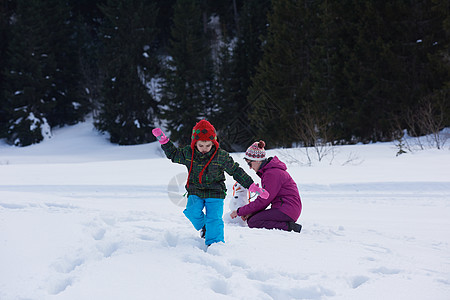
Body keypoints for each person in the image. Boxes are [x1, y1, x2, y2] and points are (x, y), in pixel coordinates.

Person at [152, 120, 269, 246]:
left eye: (208, 145)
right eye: (201, 145)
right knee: (192, 211)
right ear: (195, 143)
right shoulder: (189, 154)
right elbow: (174, 155)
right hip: (195, 190)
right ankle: (205, 227)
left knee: (214, 219)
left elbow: (235, 170)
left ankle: (215, 245)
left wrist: (251, 186)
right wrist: (164, 141)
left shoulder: (220, 156)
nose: (204, 149)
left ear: (213, 142)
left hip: (215, 192)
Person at [230, 140, 302, 233]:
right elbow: (266, 199)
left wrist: (240, 211)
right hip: (286, 209)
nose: (250, 167)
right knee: (253, 218)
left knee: (253, 221)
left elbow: (263, 200)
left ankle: (289, 227)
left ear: (257, 160)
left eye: (249, 163)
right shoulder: (269, 172)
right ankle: (286, 224)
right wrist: (251, 212)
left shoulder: (272, 174)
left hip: (287, 210)